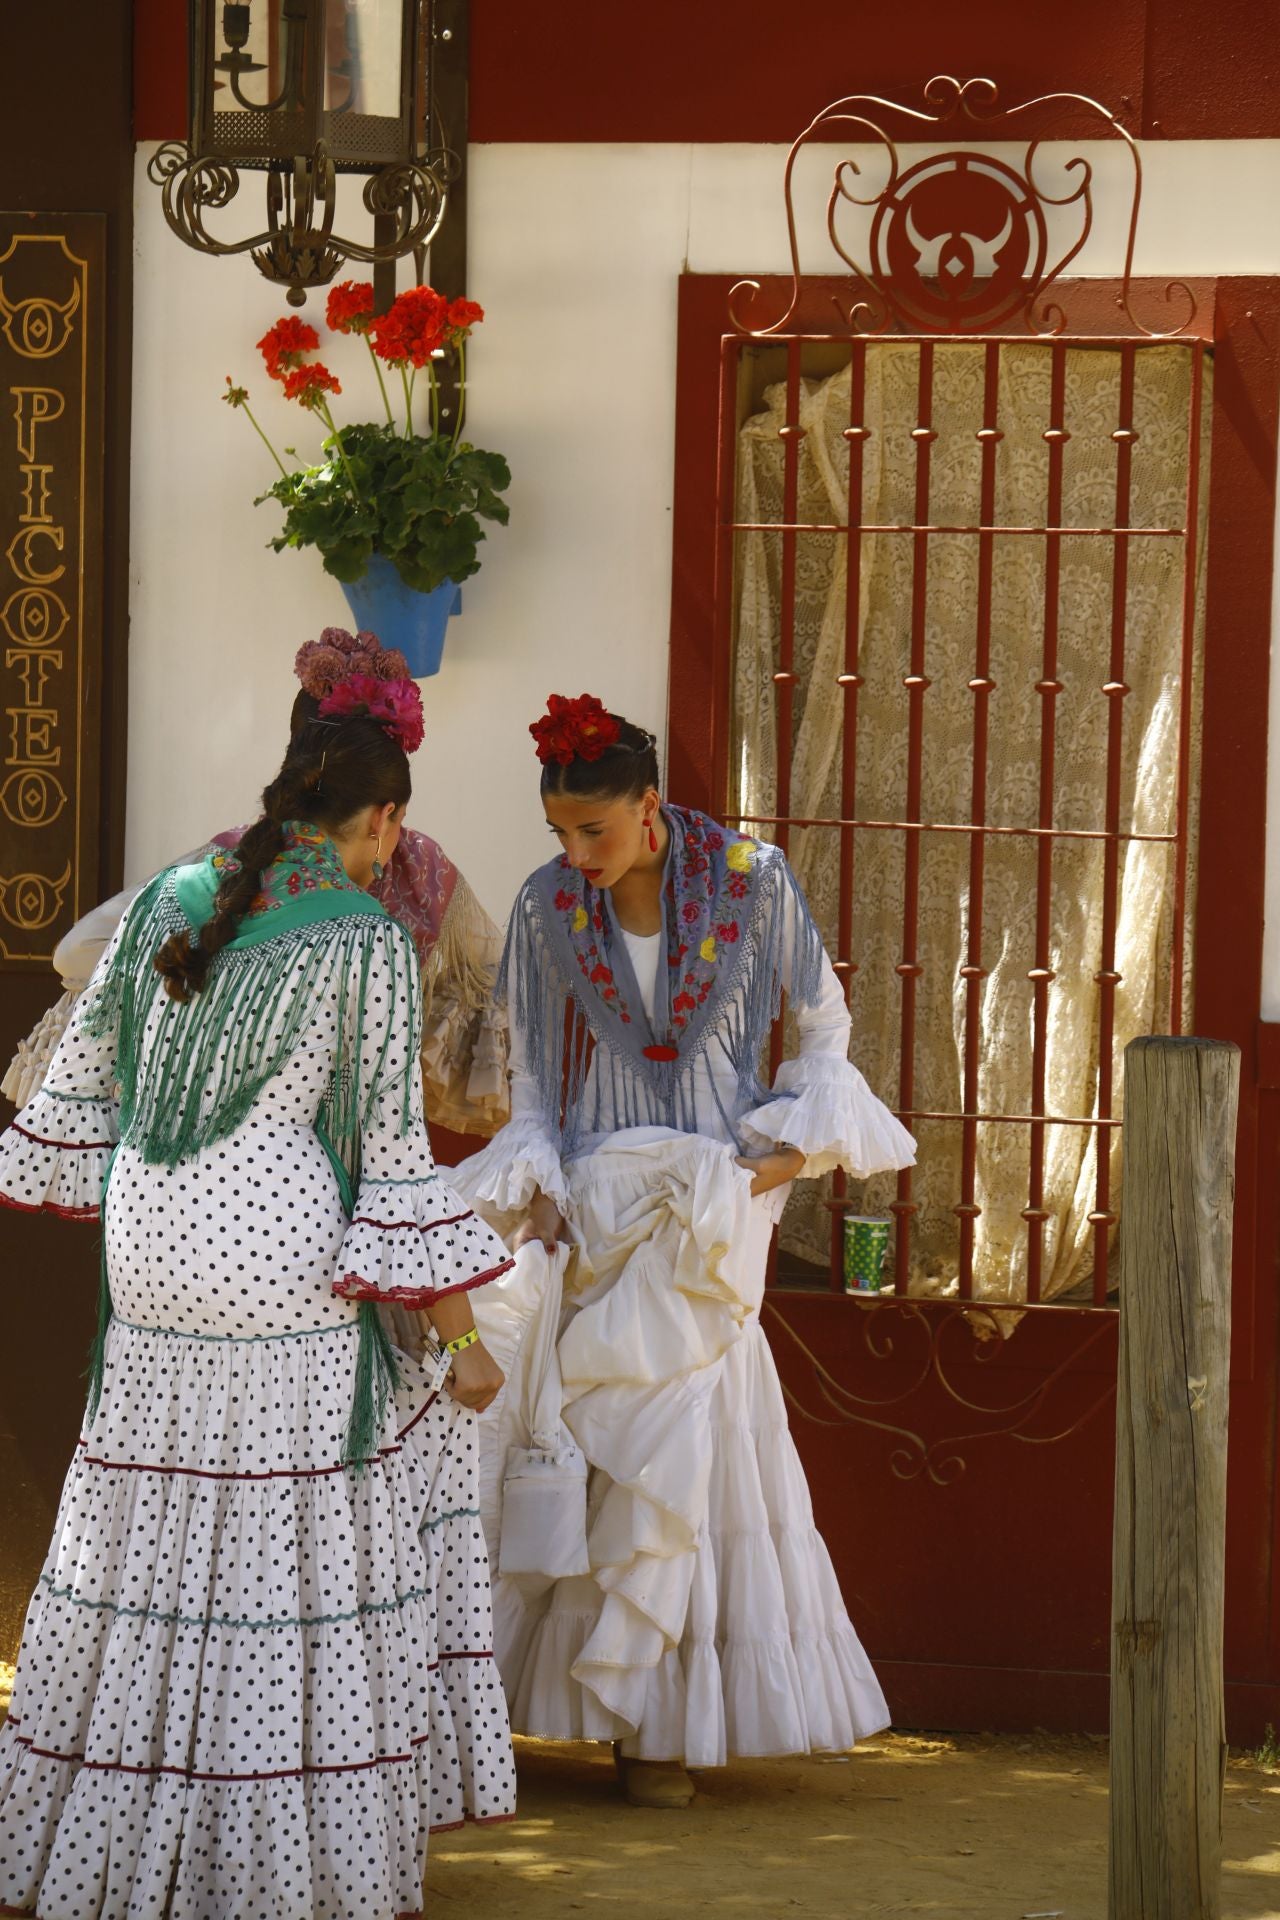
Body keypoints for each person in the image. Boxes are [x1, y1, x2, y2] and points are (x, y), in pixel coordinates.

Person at [0, 670, 516, 1918]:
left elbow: (77, 1083)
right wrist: (460, 1335)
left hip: (149, 1246)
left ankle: (102, 1847)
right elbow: (391, 1155)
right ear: (381, 821)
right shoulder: (364, 937)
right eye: (391, 832)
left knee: (145, 1529)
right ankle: (275, 1863)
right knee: (290, 1544)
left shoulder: (165, 897)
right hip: (278, 1252)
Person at [456, 692, 917, 1810]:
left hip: (713, 1206)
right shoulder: (545, 906)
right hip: (599, 1204)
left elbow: (824, 1025)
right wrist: (541, 1189)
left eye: (594, 831)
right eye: (560, 832)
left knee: (685, 1451)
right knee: (596, 1442)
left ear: (650, 807)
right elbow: (528, 1074)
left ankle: (655, 1733)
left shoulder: (755, 882)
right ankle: (582, 1715)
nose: (576, 855)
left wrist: (777, 1163)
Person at [3, 628, 509, 1142]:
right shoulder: (409, 870)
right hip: (310, 1154)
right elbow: (503, 988)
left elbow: (77, 951)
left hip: (214, 1153)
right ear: (385, 804)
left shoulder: (244, 861)